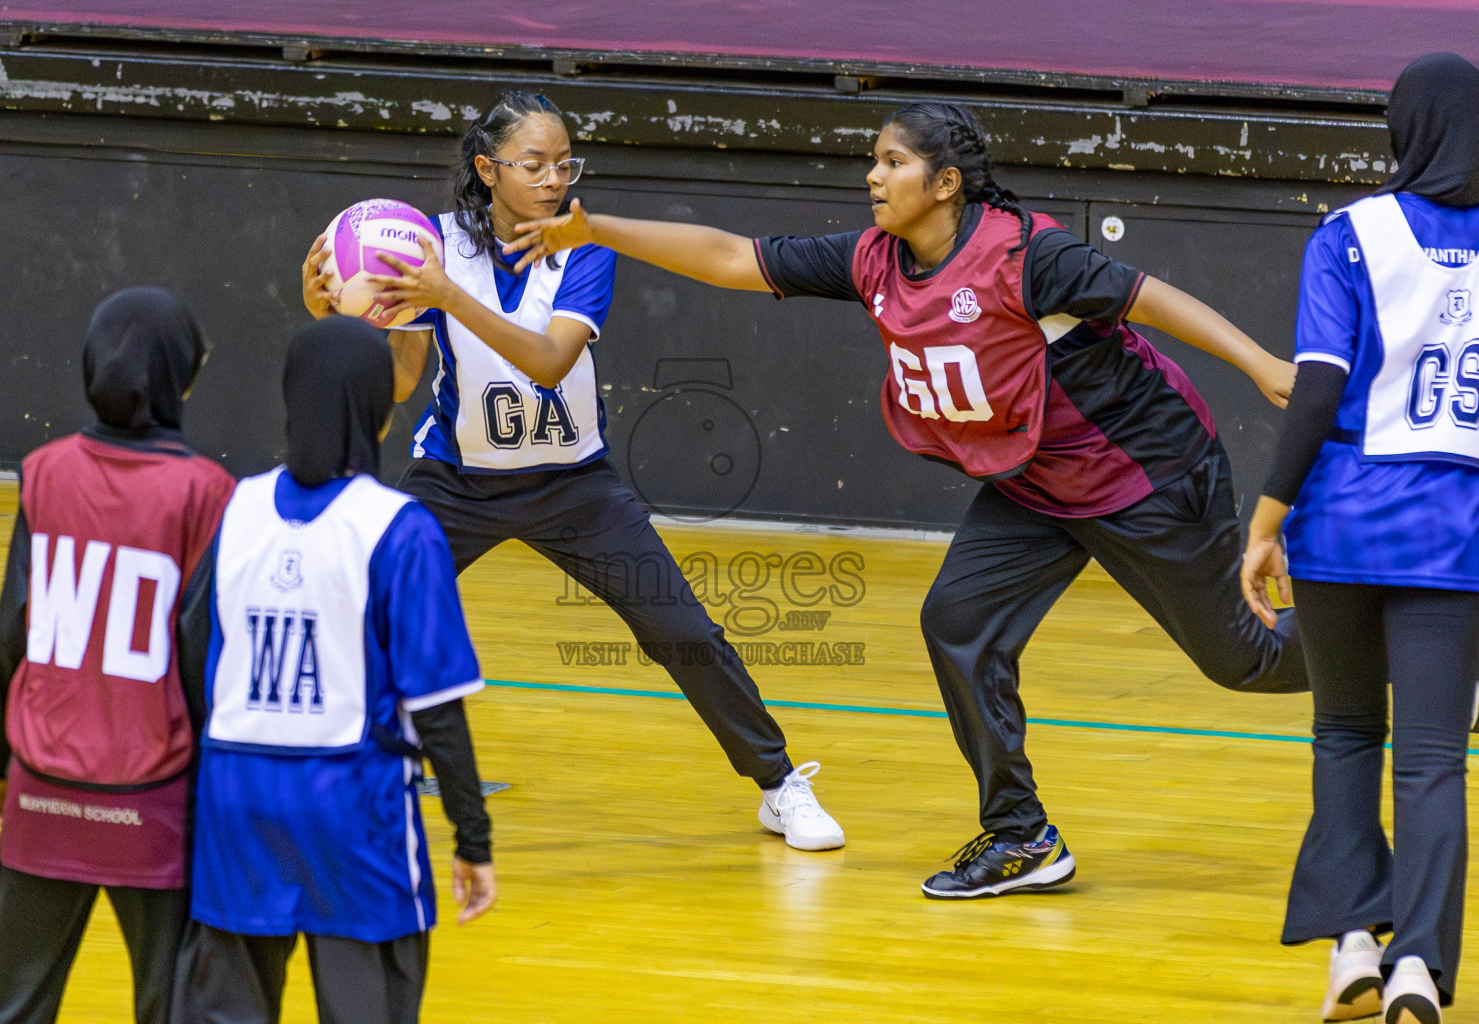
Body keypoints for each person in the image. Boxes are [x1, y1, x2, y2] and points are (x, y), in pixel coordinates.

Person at [504, 99, 1310, 899]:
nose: (874, 175)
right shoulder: (874, 260)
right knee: (957, 623)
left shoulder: (1027, 256)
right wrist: (596, 229)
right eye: (875, 160)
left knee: (1247, 659)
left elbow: (1149, 297)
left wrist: (1262, 364)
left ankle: (1373, 626)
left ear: (946, 183)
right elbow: (732, 258)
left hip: (1143, 474)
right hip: (1035, 480)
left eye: (894, 162)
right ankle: (1022, 835)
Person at [302, 90, 845, 852]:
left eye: (564, 164)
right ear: (488, 169)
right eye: (534, 164)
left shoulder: (583, 247)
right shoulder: (433, 245)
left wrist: (448, 297)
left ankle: (779, 784)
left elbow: (551, 362)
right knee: (361, 606)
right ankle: (345, 771)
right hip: (455, 482)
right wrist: (332, 313)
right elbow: (398, 383)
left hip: (574, 487)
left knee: (684, 632)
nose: (554, 179)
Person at [1241, 52, 1479, 1024]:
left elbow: (1318, 387)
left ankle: (1351, 948)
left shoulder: (1349, 233)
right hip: (1456, 537)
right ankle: (1417, 966)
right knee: (1432, 762)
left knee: (1344, 733)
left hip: (1340, 527)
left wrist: (1266, 521)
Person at [172, 317, 496, 1024]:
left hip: (238, 803)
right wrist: (473, 838)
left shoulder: (236, 507)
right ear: (379, 412)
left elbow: (191, 652)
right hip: (353, 813)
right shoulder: (400, 527)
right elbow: (438, 709)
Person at [0, 288, 234, 1024]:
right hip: (155, 798)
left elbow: (10, 634)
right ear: (182, 378)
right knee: (172, 1007)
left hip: (43, 789)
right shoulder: (207, 491)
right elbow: (200, 654)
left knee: (4, 1008)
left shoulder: (44, 470)